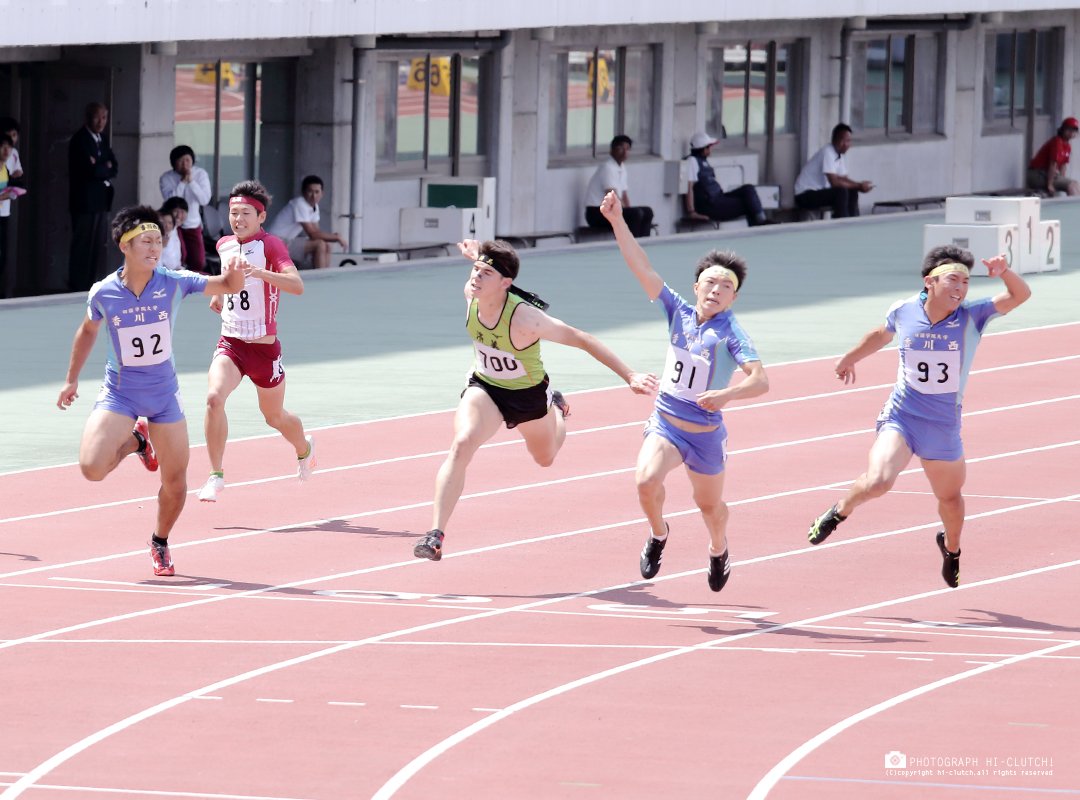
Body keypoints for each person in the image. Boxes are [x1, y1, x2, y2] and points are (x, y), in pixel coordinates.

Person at [413, 238, 658, 561]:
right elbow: (484, 270)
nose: (476, 277)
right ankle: (435, 535)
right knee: (462, 444)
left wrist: (629, 375)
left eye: (485, 273)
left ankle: (556, 409)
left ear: (506, 283)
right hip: (485, 387)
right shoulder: (471, 295)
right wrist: (476, 256)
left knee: (545, 457)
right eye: (475, 271)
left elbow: (582, 339)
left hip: (528, 397)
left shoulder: (526, 319)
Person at [805, 245, 1031, 588]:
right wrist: (849, 358)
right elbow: (881, 334)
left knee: (951, 501)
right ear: (930, 282)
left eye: (966, 282)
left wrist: (1005, 273)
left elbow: (1020, 295)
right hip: (903, 415)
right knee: (879, 481)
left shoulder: (972, 315)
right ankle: (838, 512)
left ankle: (951, 549)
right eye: (953, 280)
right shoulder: (904, 310)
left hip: (943, 425)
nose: (960, 289)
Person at [55, 205, 244, 576]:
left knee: (176, 483)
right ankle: (137, 443)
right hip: (120, 395)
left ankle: (160, 541)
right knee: (91, 469)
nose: (155, 247)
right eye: (147, 241)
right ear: (125, 245)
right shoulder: (104, 293)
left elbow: (224, 286)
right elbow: (88, 331)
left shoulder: (173, 280)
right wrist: (71, 378)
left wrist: (233, 279)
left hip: (163, 398)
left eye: (159, 240)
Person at [600, 191, 769, 591]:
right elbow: (641, 267)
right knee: (644, 482)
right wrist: (617, 222)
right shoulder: (677, 310)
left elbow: (760, 380)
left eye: (725, 287)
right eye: (710, 282)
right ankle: (659, 534)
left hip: (705, 434)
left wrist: (727, 396)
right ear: (696, 286)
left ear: (734, 297)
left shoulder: (732, 334)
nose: (715, 290)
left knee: (709, 507)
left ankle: (717, 548)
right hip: (665, 425)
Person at [198, 179, 316, 502]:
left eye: (245, 213)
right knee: (213, 399)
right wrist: (220, 296)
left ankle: (304, 448)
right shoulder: (223, 246)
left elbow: (296, 285)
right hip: (232, 344)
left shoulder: (271, 246)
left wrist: (260, 273)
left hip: (264, 349)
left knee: (274, 417)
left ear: (261, 216)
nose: (238, 219)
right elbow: (228, 284)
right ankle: (215, 475)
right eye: (233, 213)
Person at [68, 102, 118, 292]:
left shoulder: (102, 139)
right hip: (84, 201)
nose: (101, 122)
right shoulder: (80, 140)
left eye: (104, 117)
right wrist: (101, 167)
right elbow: (88, 170)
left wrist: (100, 165)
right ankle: (77, 286)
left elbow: (114, 166)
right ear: (88, 117)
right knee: (82, 244)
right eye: (97, 117)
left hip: (101, 201)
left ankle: (90, 285)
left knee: (96, 245)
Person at [684, 131, 771, 227]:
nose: (710, 150)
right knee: (748, 204)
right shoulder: (692, 161)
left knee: (748, 189)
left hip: (719, 198)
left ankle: (761, 222)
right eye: (708, 147)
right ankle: (761, 226)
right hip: (711, 205)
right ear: (703, 149)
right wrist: (692, 212)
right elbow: (689, 187)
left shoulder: (703, 161)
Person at [268, 174, 348, 269]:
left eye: (317, 192)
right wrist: (337, 237)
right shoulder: (300, 204)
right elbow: (313, 234)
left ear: (322, 193)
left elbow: (317, 232)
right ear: (303, 192)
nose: (313, 196)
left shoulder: (314, 206)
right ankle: (320, 279)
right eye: (310, 191)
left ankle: (325, 276)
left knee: (326, 244)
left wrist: (332, 237)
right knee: (320, 244)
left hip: (287, 241)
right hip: (274, 243)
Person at [794, 123, 873, 218]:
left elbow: (844, 179)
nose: (846, 144)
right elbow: (834, 182)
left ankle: (853, 223)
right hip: (804, 195)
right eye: (843, 141)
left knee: (852, 191)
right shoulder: (828, 152)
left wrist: (859, 186)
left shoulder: (839, 155)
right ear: (834, 140)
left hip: (818, 192)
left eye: (848, 141)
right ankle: (841, 225)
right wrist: (859, 186)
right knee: (840, 192)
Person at [583, 135, 654, 238]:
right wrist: (627, 212)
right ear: (612, 150)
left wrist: (628, 209)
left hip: (611, 211)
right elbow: (612, 196)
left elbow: (624, 195)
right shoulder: (608, 168)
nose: (625, 152)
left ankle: (643, 245)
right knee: (635, 214)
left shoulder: (621, 168)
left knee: (647, 212)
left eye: (627, 149)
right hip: (596, 213)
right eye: (621, 148)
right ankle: (631, 248)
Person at [159, 145, 213, 272]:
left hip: (192, 224)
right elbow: (170, 202)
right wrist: (182, 182)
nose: (185, 164)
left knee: (198, 261)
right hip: (172, 224)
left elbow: (205, 200)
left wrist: (192, 182)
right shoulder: (166, 178)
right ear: (173, 163)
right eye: (180, 161)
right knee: (177, 259)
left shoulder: (200, 174)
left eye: (187, 160)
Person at [1027, 117, 1080, 197]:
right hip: (1036, 174)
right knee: (1071, 185)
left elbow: (1063, 166)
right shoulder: (1057, 142)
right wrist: (1050, 184)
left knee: (1075, 184)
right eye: (1069, 129)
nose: (1071, 133)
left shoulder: (1067, 146)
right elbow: (1053, 164)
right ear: (1063, 129)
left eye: (1074, 130)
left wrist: (1062, 180)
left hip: (1046, 174)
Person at [157, 197, 189, 270]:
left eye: (182, 212)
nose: (179, 216)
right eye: (176, 211)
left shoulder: (174, 230)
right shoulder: (161, 232)